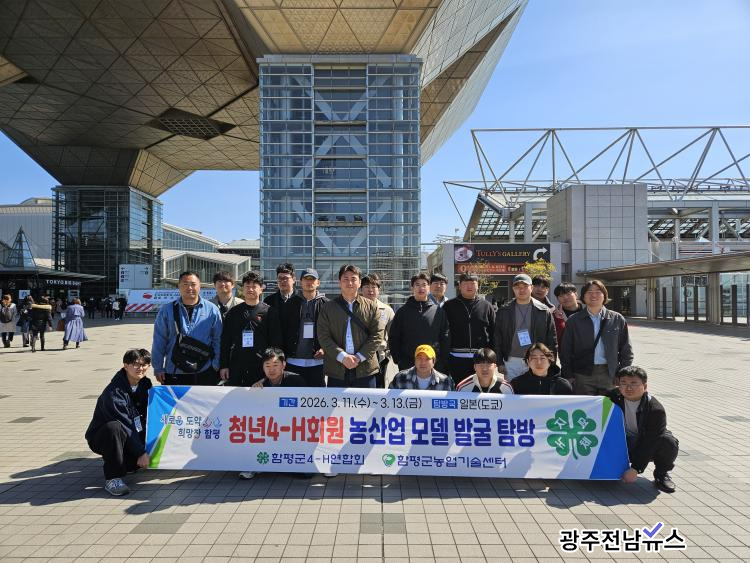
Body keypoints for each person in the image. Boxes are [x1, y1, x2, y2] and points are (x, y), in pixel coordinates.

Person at [85, 348, 153, 496]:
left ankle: (128, 462)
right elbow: (125, 423)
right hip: (104, 437)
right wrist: (141, 452)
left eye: (144, 364)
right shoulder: (114, 391)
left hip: (128, 434)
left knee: (131, 464)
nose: (140, 368)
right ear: (125, 366)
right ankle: (113, 479)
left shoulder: (145, 384)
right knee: (114, 427)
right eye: (135, 364)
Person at [606, 365, 678, 493]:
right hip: (621, 441)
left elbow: (650, 442)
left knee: (668, 442)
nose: (628, 388)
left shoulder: (655, 409)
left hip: (643, 442)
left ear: (645, 386)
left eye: (634, 383)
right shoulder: (612, 397)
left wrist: (635, 469)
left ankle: (661, 474)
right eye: (623, 383)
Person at [238, 348, 306, 480]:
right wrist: (253, 393)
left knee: (304, 474)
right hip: (270, 429)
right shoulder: (260, 384)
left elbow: (306, 407)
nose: (271, 369)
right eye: (267, 365)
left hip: (292, 427)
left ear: (283, 365)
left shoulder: (297, 381)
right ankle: (253, 466)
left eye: (275, 365)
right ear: (263, 367)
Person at [560, 279, 633, 395]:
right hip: (582, 374)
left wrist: (623, 374)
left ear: (604, 295)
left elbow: (626, 350)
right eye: (589, 292)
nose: (593, 295)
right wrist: (568, 375)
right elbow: (565, 351)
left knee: (608, 405)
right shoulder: (574, 320)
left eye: (598, 292)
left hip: (610, 374)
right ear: (583, 297)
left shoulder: (617, 319)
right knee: (585, 405)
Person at [151, 271, 222, 386]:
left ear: (200, 286)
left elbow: (218, 339)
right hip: (174, 369)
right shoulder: (167, 310)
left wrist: (215, 365)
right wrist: (158, 367)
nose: (189, 288)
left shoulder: (212, 310)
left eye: (193, 284)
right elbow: (159, 340)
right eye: (185, 284)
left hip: (204, 370)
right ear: (179, 286)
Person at [317, 264, 383, 388]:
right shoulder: (328, 308)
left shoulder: (372, 306)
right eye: (345, 279)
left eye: (353, 279)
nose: (350, 283)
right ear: (339, 282)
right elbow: (323, 336)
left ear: (359, 283)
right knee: (337, 401)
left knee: (366, 401)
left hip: (365, 369)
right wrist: (342, 357)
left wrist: (359, 357)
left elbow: (377, 335)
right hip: (337, 369)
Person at [220, 271, 281, 387]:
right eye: (247, 286)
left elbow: (276, 342)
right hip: (237, 365)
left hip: (262, 365)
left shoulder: (270, 312)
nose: (250, 289)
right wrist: (224, 365)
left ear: (261, 289)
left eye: (254, 286)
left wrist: (274, 365)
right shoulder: (233, 312)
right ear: (242, 289)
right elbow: (225, 341)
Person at [494, 273, 558, 380]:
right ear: (513, 289)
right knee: (512, 389)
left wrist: (551, 363)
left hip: (536, 359)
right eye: (517, 287)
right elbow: (497, 338)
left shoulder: (543, 310)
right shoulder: (504, 311)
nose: (521, 290)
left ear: (531, 288)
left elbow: (552, 339)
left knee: (534, 389)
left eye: (525, 286)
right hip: (511, 360)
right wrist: (499, 362)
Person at [389, 273, 449, 372]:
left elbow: (445, 336)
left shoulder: (438, 311)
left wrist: (442, 360)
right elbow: (394, 336)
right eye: (417, 285)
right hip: (408, 364)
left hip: (433, 363)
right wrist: (398, 359)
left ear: (429, 288)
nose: (421, 288)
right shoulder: (402, 312)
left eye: (424, 285)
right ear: (412, 288)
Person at [443, 272, 496, 385]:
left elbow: (493, 332)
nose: (469, 286)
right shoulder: (449, 306)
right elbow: (443, 331)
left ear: (478, 285)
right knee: (459, 388)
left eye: (472, 283)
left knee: (481, 388)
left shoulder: (486, 306)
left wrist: (492, 355)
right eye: (465, 283)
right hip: (456, 358)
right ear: (460, 286)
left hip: (482, 359)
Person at [282, 268, 329, 387]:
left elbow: (333, 331)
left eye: (312, 279)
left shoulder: (327, 305)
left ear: (318, 283)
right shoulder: (290, 303)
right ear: (300, 282)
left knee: (317, 396)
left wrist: (325, 349)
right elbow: (283, 331)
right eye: (306, 279)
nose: (309, 282)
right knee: (293, 396)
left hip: (317, 362)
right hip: (293, 361)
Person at [360, 273, 395, 388]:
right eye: (367, 287)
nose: (370, 290)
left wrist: (387, 352)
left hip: (379, 356)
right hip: (358, 356)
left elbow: (393, 334)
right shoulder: (353, 308)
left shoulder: (387, 310)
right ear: (361, 289)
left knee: (379, 387)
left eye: (374, 287)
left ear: (378, 290)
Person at [389, 344, 454, 390]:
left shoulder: (446, 382)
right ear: (414, 360)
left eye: (427, 359)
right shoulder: (400, 378)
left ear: (433, 362)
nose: (423, 362)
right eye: (419, 358)